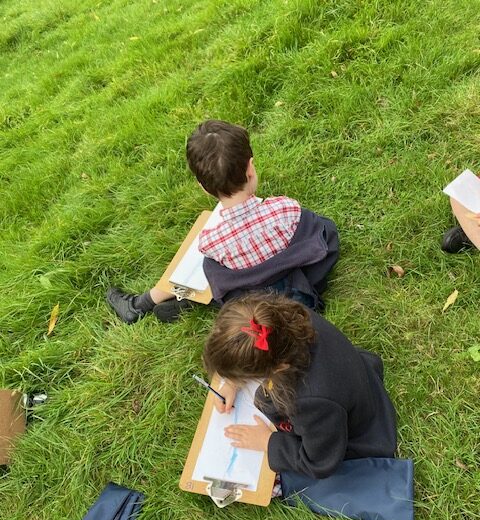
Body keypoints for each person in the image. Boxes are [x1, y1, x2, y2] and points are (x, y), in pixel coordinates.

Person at [106, 120, 339, 323]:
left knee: (206, 267)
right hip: (297, 286)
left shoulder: (210, 241)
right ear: (250, 168)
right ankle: (168, 302)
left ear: (203, 187)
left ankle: (144, 303)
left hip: (252, 301)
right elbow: (321, 233)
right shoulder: (285, 208)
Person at [202, 293, 397, 479]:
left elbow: (319, 462)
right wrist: (231, 380)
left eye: (247, 377)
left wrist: (268, 442)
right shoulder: (287, 318)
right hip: (353, 377)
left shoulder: (312, 401)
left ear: (280, 366)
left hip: (356, 429)